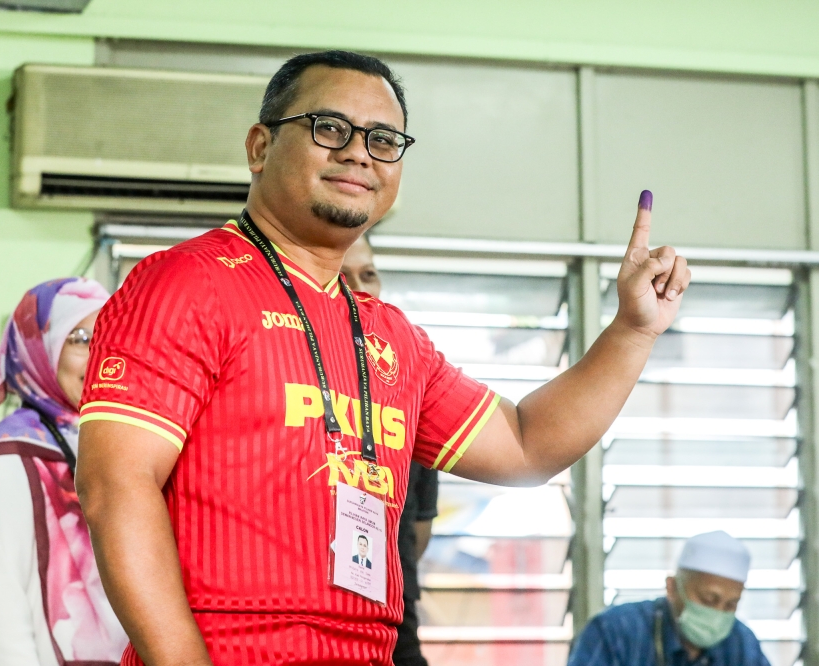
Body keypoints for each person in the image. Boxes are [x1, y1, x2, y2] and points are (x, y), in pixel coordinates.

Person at [75, 49, 691, 666]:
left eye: (384, 139)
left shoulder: (392, 339)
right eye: (330, 128)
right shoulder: (186, 284)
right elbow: (115, 485)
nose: (359, 152)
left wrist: (632, 332)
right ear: (260, 147)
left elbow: (527, 446)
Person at [0, 278, 128, 666]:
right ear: (38, 350)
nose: (100, 354)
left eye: (110, 336)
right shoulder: (2, 465)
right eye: (80, 338)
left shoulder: (112, 448)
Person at [342, 233, 438, 666]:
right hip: (299, 624)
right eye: (342, 277)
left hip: (394, 621)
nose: (359, 288)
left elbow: (417, 532)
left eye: (369, 275)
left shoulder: (409, 381)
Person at [568, 531, 770, 666]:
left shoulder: (742, 644)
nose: (717, 613)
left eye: (731, 605)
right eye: (708, 600)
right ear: (672, 587)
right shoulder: (616, 633)